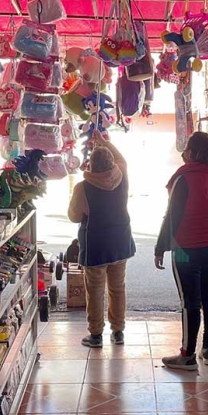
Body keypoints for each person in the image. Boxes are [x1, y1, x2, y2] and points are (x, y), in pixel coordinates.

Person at [154, 131, 208, 370]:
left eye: (186, 147)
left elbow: (171, 216)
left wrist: (160, 247)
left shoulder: (184, 178)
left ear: (192, 152)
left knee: (190, 302)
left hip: (187, 248)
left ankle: (187, 355)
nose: (183, 152)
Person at [68, 133, 136, 348]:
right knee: (118, 287)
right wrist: (105, 142)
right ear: (111, 163)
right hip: (120, 241)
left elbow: (74, 217)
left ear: (91, 165)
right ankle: (118, 331)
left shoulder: (83, 187)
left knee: (95, 290)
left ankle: (96, 334)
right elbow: (122, 159)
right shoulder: (122, 175)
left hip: (96, 244)